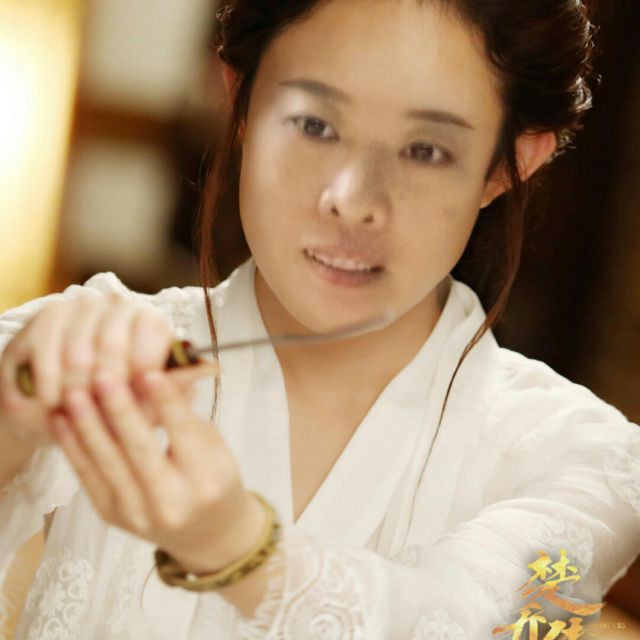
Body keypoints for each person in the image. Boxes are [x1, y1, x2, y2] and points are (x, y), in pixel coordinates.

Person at [1, 0, 639, 637]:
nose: (352, 200)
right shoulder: (62, 350)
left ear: (509, 164)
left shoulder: (585, 462)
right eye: (313, 125)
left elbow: (474, 620)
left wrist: (236, 548)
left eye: (424, 150)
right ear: (240, 100)